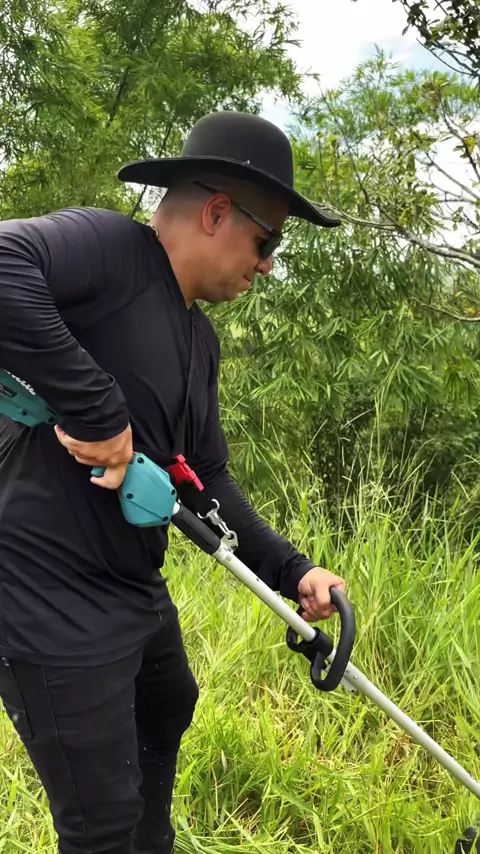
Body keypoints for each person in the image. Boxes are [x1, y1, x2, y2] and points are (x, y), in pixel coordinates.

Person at [0, 110, 345, 854]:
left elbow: (204, 477)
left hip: (129, 584)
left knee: (168, 702)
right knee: (101, 824)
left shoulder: (197, 338)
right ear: (217, 212)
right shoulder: (112, 250)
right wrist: (97, 406)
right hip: (44, 591)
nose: (268, 266)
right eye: (267, 243)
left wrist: (294, 571)